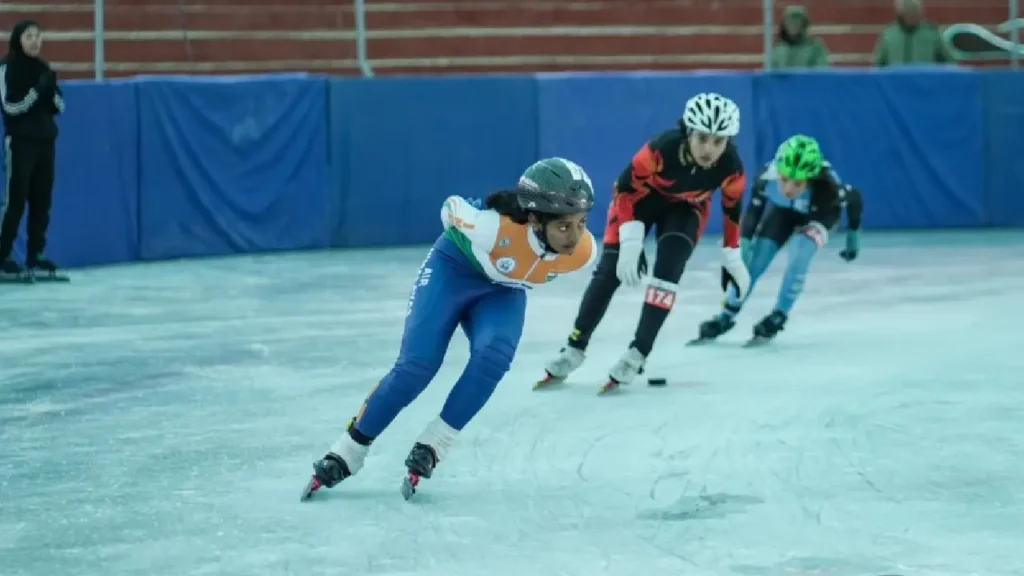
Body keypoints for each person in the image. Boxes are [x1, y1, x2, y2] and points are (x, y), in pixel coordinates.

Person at [302, 158, 598, 501]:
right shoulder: (492, 228)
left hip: (502, 291)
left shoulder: (583, 252)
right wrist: (475, 215)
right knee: (417, 365)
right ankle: (349, 450)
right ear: (534, 218)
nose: (574, 237)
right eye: (563, 227)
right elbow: (450, 208)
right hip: (453, 270)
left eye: (582, 223)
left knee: (495, 356)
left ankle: (437, 441)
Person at [537, 92, 751, 395]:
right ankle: (574, 347)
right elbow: (624, 189)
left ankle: (638, 353)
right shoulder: (661, 148)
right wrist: (631, 239)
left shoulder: (732, 167)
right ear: (688, 132)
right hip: (637, 203)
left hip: (685, 211)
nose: (709, 149)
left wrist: (732, 255)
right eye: (702, 138)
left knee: (668, 274)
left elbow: (732, 211)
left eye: (718, 141)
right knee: (609, 272)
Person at [691, 134, 863, 346]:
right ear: (777, 172)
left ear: (811, 179)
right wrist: (743, 242)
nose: (788, 188)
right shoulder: (766, 177)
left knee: (799, 255)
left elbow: (855, 198)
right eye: (784, 179)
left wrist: (853, 235)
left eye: (798, 183)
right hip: (783, 213)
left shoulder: (829, 187)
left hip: (819, 215)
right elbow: (753, 214)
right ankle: (726, 315)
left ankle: (779, 314)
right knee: (754, 261)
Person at [0, 20, 65, 281]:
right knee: (16, 200)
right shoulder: (7, 68)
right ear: (19, 39)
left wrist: (48, 90)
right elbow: (11, 107)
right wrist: (37, 90)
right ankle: (3, 256)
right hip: (20, 142)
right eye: (29, 36)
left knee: (42, 200)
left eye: (39, 36)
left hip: (45, 141)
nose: (35, 41)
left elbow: (60, 107)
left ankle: (35, 256)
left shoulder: (44, 68)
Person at [873, 0, 954, 66]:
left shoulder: (931, 33)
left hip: (924, 82)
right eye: (909, 14)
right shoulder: (889, 35)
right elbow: (879, 65)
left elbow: (948, 61)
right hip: (895, 83)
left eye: (916, 14)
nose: (913, 18)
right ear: (901, 15)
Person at [770, 5, 830, 69]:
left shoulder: (815, 47)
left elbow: (821, 72)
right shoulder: (779, 49)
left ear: (804, 24)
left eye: (797, 21)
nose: (793, 24)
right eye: (789, 21)